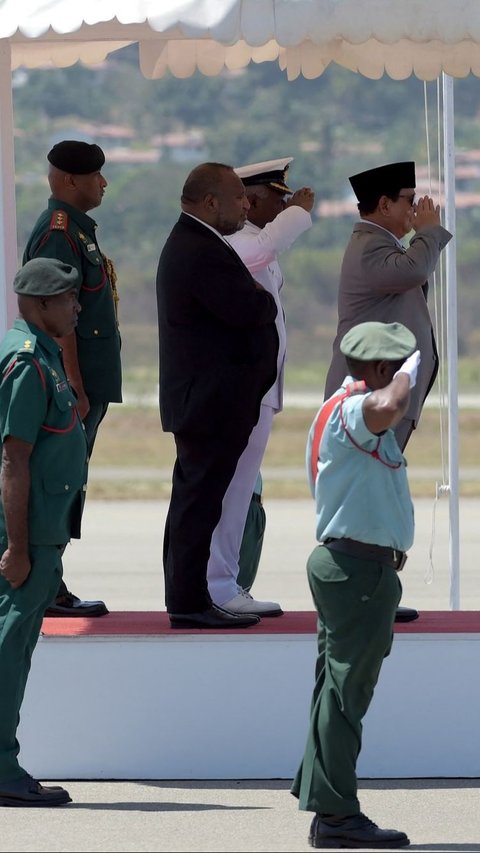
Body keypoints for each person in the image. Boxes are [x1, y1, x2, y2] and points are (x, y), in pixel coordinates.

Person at [292, 320, 418, 849]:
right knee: (347, 696)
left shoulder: (332, 410)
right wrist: (411, 376)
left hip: (352, 568)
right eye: (395, 367)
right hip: (357, 573)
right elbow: (390, 407)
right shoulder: (355, 412)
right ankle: (338, 816)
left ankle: (323, 797)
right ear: (382, 369)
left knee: (333, 692)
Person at [323, 160, 452, 623]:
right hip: (370, 402)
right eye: (407, 199)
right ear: (383, 204)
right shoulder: (369, 248)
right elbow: (415, 269)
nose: (415, 208)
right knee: (368, 497)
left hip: (385, 401)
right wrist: (430, 232)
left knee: (380, 493)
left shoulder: (381, 245)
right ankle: (362, 592)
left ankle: (374, 591)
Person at [156, 162, 279, 629]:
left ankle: (190, 595)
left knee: (198, 501)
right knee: (198, 503)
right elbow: (251, 306)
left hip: (212, 401)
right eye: (238, 199)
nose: (246, 205)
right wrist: (259, 298)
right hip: (209, 403)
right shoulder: (200, 248)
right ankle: (188, 602)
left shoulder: (204, 243)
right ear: (210, 203)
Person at [206, 157, 314, 615]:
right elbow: (264, 249)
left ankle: (226, 580)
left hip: (259, 390)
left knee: (241, 487)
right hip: (242, 391)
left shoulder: (255, 242)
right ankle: (219, 584)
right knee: (231, 489)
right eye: (279, 196)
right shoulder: (236, 242)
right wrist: (301, 214)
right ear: (250, 200)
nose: (285, 202)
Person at [0, 258, 87, 806]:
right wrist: (16, 548)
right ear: (38, 305)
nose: (76, 306)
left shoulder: (44, 355)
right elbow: (14, 460)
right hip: (28, 538)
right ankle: (3, 770)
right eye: (66, 298)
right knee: (9, 650)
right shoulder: (27, 362)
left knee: (18, 647)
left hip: (44, 532)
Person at [23, 140, 122, 617]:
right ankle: (44, 585)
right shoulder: (59, 232)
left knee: (68, 482)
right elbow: (58, 316)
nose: (103, 183)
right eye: (94, 176)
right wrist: (75, 386)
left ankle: (50, 581)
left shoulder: (79, 230)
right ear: (68, 180)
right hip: (72, 387)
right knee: (57, 483)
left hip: (86, 383)